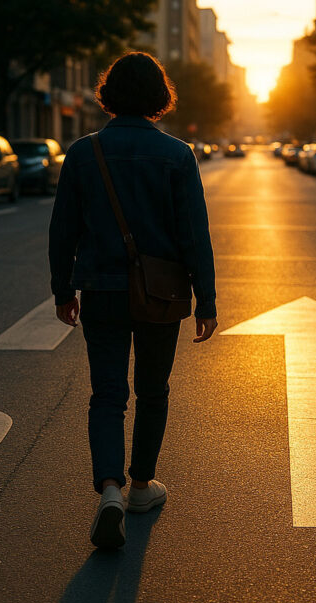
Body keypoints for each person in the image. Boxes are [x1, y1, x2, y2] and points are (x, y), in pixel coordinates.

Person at [48, 52, 218, 550]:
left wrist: (63, 290)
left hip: (99, 290)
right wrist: (205, 301)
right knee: (152, 390)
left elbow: (63, 231)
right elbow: (194, 236)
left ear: (108, 95)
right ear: (159, 97)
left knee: (105, 395)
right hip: (160, 296)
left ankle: (109, 491)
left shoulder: (82, 153)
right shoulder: (178, 156)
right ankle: (141, 486)